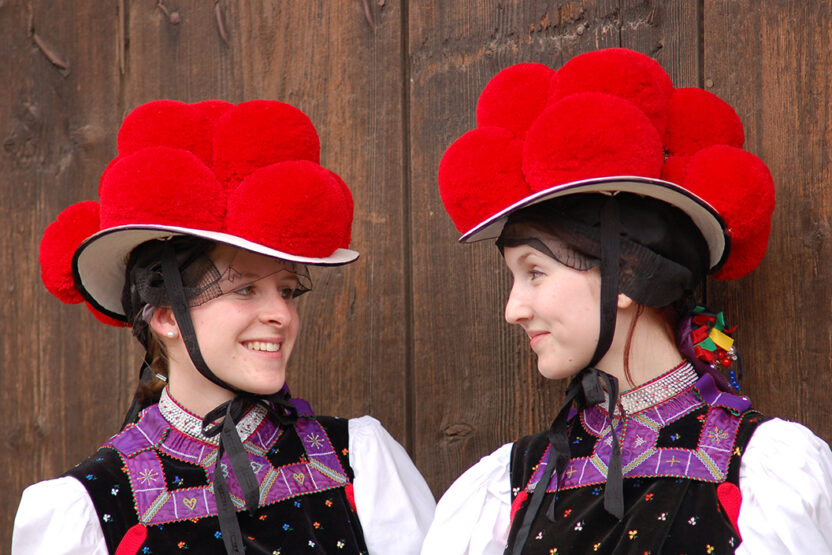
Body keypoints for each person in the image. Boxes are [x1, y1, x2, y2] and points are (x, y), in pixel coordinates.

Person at [422, 48, 832, 554]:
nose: (513, 309)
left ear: (626, 276)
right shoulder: (506, 484)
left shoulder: (762, 470)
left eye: (535, 273)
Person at [13, 99, 434, 554]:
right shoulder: (91, 507)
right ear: (168, 316)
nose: (281, 314)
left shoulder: (360, 461)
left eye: (287, 290)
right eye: (246, 290)